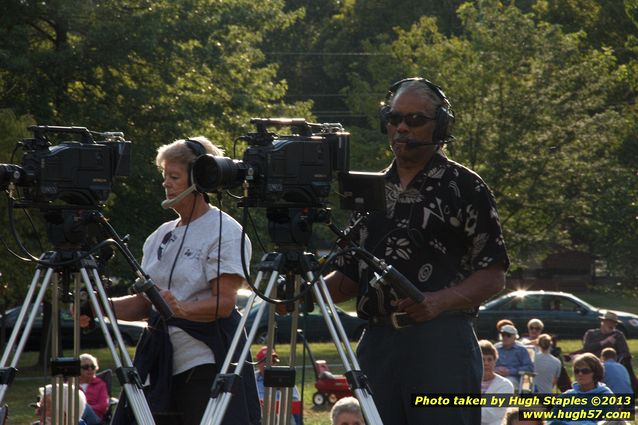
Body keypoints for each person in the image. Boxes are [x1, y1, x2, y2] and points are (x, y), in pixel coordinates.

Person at [323, 77, 510, 424]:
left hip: (443, 346)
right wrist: (301, 291)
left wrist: (439, 300)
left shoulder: (465, 186)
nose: (402, 128)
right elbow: (348, 279)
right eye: (394, 119)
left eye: (415, 120)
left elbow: (493, 273)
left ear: (441, 124)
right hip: (377, 347)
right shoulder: (371, 190)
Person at [105, 137, 259, 425]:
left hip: (206, 364)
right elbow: (145, 304)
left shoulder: (225, 230)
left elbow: (224, 303)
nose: (166, 184)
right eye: (165, 177)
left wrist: (183, 309)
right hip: (159, 363)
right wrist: (101, 306)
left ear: (200, 180)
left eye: (174, 177)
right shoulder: (159, 235)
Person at [567, 311, 637, 393]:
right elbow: (587, 348)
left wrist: (615, 363)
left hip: (611, 364)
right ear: (603, 322)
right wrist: (604, 342)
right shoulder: (591, 334)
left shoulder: (618, 335)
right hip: (591, 364)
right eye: (609, 322)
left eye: (614, 323)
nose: (612, 325)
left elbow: (625, 352)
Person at [549, 353, 615, 425]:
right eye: (577, 371)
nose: (580, 374)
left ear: (596, 373)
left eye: (585, 371)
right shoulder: (565, 397)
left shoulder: (606, 396)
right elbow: (551, 421)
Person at [253, 346, 301, 425]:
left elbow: (295, 401)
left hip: (282, 415)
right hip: (260, 416)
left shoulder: (285, 377)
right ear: (258, 363)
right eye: (266, 361)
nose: (271, 363)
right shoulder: (253, 379)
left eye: (273, 360)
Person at [480, 340, 514, 425]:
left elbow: (493, 414)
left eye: (489, 359)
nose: (486, 363)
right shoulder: (466, 383)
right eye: (482, 359)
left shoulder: (505, 385)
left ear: (495, 361)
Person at [495, 325, 534, 390]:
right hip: (496, 376)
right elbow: (489, 363)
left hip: (513, 378)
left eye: (508, 335)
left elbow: (529, 368)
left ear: (515, 337)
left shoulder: (521, 350)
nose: (505, 337)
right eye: (503, 335)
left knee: (506, 383)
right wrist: (496, 370)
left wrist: (510, 371)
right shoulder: (496, 348)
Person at [78, 353, 108, 424]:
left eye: (92, 366)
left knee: (84, 407)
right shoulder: (71, 384)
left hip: (94, 417)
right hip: (75, 415)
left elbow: (103, 406)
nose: (90, 369)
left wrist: (86, 408)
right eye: (86, 367)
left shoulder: (100, 384)